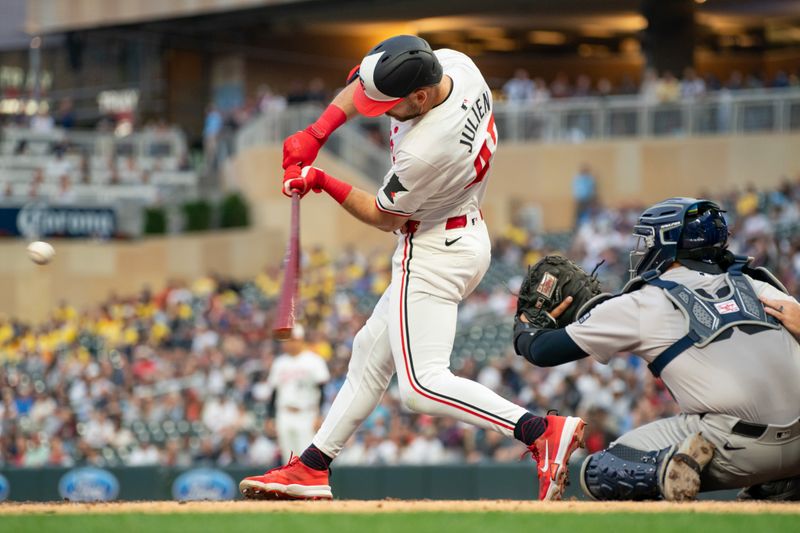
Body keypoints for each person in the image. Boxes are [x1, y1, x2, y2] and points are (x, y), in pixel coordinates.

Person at [239, 34, 586, 502]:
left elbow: (386, 217)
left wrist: (319, 179)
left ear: (419, 97)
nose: (378, 112)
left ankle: (539, 431)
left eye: (390, 105)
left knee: (421, 386)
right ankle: (313, 466)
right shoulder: (455, 65)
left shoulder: (427, 149)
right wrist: (316, 132)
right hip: (463, 231)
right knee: (368, 353)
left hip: (432, 247)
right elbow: (362, 83)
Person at [513, 197, 800, 501]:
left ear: (667, 244)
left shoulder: (646, 301)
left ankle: (666, 467)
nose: (641, 249)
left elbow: (541, 351)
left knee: (605, 468)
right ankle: (777, 487)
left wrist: (526, 322)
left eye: (646, 240)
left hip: (735, 446)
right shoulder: (762, 285)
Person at [264, 325, 330, 463]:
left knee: (306, 457)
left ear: (301, 340)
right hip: (284, 413)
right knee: (287, 459)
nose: (290, 343)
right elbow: (275, 392)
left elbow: (322, 389)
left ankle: (306, 484)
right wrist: (270, 416)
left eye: (293, 339)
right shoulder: (280, 362)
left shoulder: (314, 360)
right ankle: (291, 485)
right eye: (288, 340)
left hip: (306, 413)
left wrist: (320, 415)